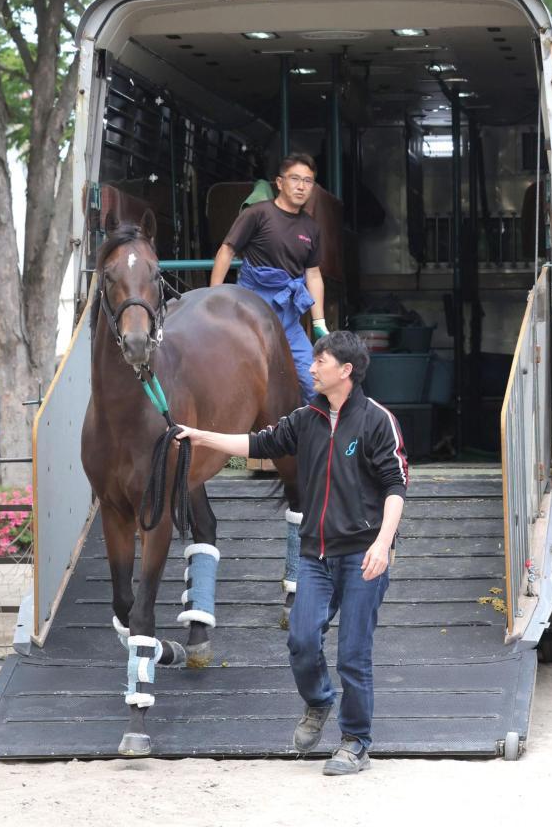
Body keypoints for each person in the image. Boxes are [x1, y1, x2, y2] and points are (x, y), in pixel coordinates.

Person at [176, 331, 408, 775]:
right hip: (315, 557)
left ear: (346, 371)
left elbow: (396, 486)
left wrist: (383, 542)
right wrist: (200, 436)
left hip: (363, 554)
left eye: (321, 360)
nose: (312, 365)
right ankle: (319, 702)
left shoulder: (378, 421)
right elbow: (256, 445)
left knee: (354, 653)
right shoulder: (306, 418)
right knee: (302, 642)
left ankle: (356, 742)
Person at [210, 152, 328, 404]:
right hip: (251, 308)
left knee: (316, 382)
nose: (301, 186)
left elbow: (313, 274)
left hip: (288, 317)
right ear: (279, 182)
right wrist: (214, 296)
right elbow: (226, 251)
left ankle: (319, 440)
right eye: (295, 179)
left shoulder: (311, 228)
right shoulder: (258, 214)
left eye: (308, 181)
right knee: (237, 378)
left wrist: (319, 322)